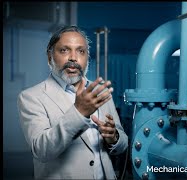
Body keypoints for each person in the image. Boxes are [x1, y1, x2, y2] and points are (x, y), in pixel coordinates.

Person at [17, 25, 128, 180]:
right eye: (64, 50)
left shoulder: (100, 92)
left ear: (87, 58)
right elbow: (41, 150)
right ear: (50, 57)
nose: (73, 58)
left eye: (81, 51)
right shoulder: (31, 97)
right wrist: (79, 112)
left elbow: (123, 144)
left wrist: (113, 137)